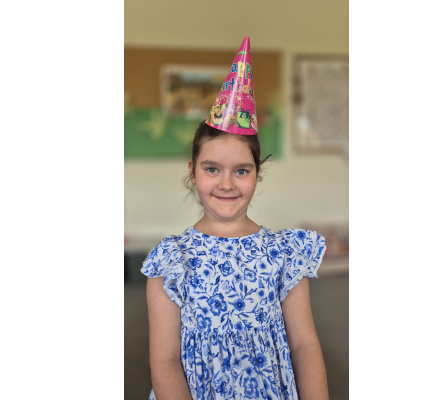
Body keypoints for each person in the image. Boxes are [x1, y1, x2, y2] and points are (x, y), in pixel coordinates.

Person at [141, 37, 329, 400]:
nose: (226, 184)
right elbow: (164, 361)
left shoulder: (284, 253)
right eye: (212, 169)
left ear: (257, 173)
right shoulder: (172, 260)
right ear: (193, 171)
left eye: (241, 170)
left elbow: (304, 346)